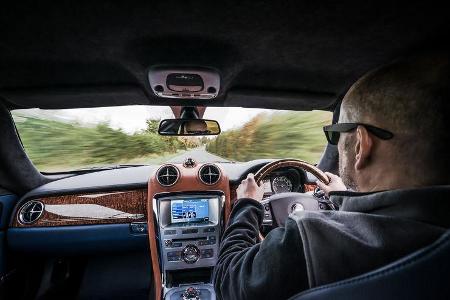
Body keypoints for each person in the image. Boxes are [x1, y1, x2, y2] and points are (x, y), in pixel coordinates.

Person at [213, 52, 449, 300]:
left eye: (336, 133)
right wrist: (341, 197)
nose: (336, 146)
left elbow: (228, 280)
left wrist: (246, 204)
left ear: (361, 145)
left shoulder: (308, 242)